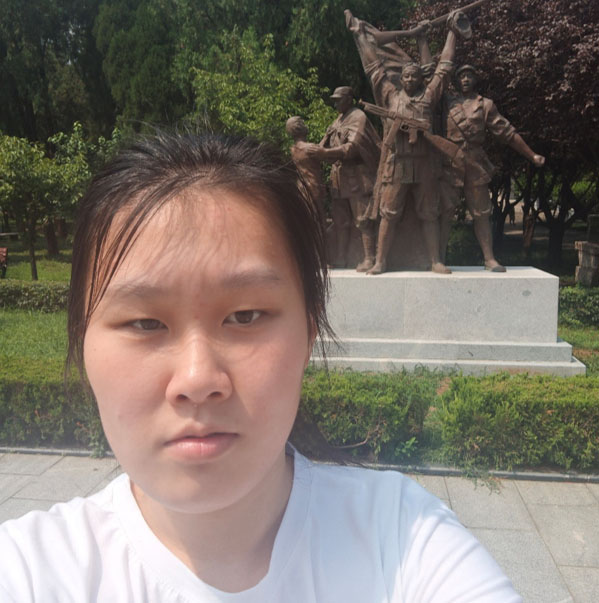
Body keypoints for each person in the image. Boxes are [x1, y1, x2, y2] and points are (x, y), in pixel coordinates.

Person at [0, 131, 522, 602]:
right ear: (82, 341)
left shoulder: (403, 540)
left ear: (309, 331)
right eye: (144, 323)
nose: (198, 379)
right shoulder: (31, 571)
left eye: (245, 316)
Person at [346, 11, 464, 275]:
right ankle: (381, 261)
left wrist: (452, 33)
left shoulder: (429, 97)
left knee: (429, 213)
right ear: (400, 79)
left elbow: (444, 69)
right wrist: (360, 36)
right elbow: (374, 70)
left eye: (414, 76)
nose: (410, 79)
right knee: (388, 213)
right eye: (406, 76)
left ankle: (435, 261)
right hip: (397, 164)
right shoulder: (390, 96)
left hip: (424, 165)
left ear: (421, 79)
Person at [439, 64, 546, 271]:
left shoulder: (485, 105)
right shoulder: (447, 102)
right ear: (456, 80)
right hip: (450, 163)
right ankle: (439, 259)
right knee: (445, 211)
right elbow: (431, 77)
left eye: (469, 76)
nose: (465, 79)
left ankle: (489, 258)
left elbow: (507, 133)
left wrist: (532, 155)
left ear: (475, 80)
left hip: (475, 163)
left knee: (481, 213)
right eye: (462, 76)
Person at [307, 86, 381, 271]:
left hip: (356, 177)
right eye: (334, 100)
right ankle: (340, 257)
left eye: (338, 100)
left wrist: (325, 153)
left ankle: (369, 258)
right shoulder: (338, 119)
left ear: (349, 99)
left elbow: (352, 148)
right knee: (340, 220)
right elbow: (325, 144)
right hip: (338, 178)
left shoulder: (358, 117)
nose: (336, 104)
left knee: (362, 219)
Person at [285, 116, 327, 217]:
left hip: (301, 187)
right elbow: (323, 153)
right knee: (318, 216)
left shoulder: (292, 150)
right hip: (313, 186)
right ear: (300, 127)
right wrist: (327, 136)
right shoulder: (310, 148)